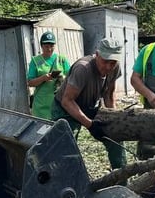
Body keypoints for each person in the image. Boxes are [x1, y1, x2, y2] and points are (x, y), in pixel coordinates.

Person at [51, 37, 127, 169]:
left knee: (116, 138)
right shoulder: (82, 69)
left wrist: (114, 118)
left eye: (113, 63)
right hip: (65, 108)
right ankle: (66, 181)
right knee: (65, 147)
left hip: (90, 106)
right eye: (105, 61)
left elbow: (109, 95)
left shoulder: (115, 68)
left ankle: (121, 180)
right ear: (97, 55)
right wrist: (90, 125)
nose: (109, 67)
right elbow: (67, 101)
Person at [26, 31, 71, 119]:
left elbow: (71, 78)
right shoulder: (35, 61)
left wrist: (62, 78)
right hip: (41, 105)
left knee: (57, 129)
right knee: (41, 130)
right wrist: (43, 78)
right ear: (41, 46)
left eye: (52, 46)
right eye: (46, 46)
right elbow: (30, 83)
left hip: (59, 102)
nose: (49, 49)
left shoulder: (62, 59)